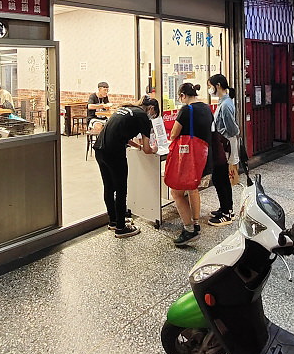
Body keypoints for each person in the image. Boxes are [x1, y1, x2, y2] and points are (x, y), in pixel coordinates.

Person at [92, 95, 160, 238]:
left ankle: (113, 221)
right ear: (151, 109)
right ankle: (121, 228)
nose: (152, 117)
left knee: (109, 187)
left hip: (100, 149)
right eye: (154, 115)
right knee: (121, 188)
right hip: (114, 152)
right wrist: (154, 148)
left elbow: (122, 134)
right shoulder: (143, 117)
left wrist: (137, 145)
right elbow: (148, 150)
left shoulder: (127, 109)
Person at [168, 83, 214, 246]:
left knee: (176, 193)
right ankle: (195, 222)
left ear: (182, 96)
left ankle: (189, 230)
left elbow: (174, 133)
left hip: (188, 158)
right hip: (203, 157)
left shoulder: (187, 110)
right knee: (192, 189)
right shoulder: (207, 108)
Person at [207, 73, 240, 226]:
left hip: (225, 147)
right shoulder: (224, 102)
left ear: (218, 85)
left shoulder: (226, 104)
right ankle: (225, 208)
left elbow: (232, 129)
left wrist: (222, 135)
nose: (209, 89)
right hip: (222, 145)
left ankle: (227, 213)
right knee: (220, 178)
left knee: (221, 178)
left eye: (210, 86)